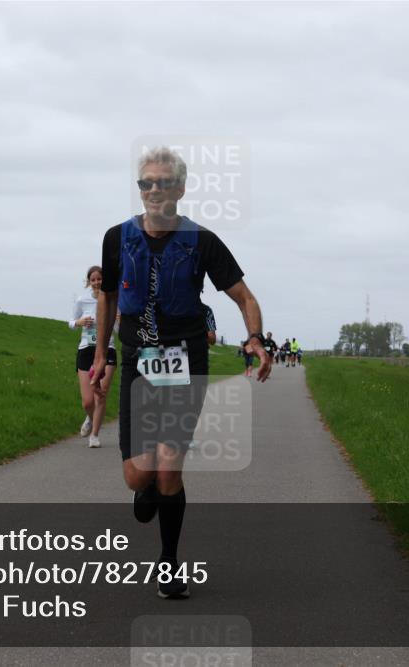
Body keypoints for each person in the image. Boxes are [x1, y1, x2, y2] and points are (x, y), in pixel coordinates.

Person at [90, 146, 271, 600]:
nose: (153, 190)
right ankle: (143, 489)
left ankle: (169, 564)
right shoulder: (116, 238)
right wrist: (100, 354)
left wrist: (255, 340)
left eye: (162, 183)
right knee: (139, 476)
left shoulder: (201, 241)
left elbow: (245, 297)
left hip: (186, 361)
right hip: (138, 361)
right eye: (145, 183)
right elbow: (107, 298)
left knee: (169, 470)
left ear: (180, 189)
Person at [70, 265, 116, 448]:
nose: (97, 282)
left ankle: (94, 435)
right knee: (88, 401)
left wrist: (118, 319)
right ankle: (90, 419)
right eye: (93, 279)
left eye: (100, 279)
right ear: (89, 281)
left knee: (101, 394)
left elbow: (118, 330)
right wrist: (80, 322)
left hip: (108, 349)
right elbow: (71, 322)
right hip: (86, 349)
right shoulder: (82, 300)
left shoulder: (113, 299)